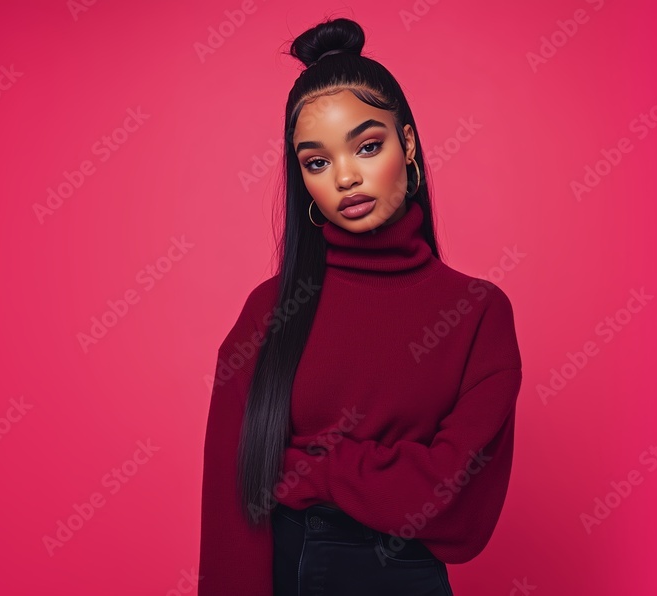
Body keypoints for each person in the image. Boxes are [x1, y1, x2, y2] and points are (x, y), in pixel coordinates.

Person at [198, 17, 522, 596]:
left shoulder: (476, 313)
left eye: (368, 146)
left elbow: (458, 499)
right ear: (302, 180)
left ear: (409, 144)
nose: (346, 177)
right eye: (316, 162)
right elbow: (232, 516)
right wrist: (385, 471)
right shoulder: (268, 311)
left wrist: (312, 468)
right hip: (287, 573)